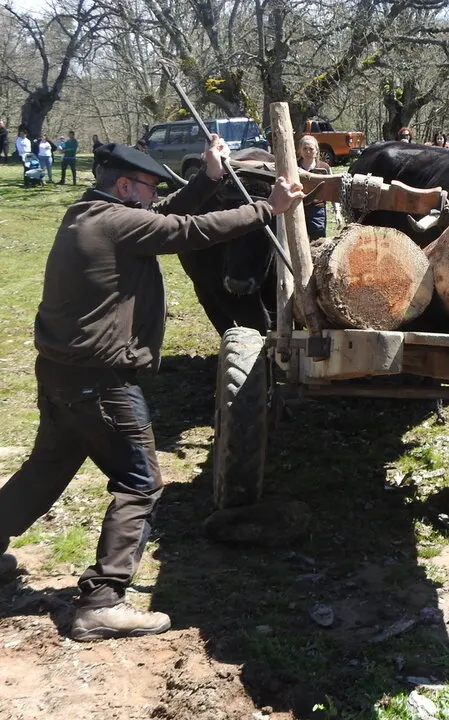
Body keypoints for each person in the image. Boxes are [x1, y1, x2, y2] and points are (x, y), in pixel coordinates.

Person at [0, 137, 303, 641]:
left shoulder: (88, 214)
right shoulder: (118, 224)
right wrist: (267, 209)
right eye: (148, 186)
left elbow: (163, 216)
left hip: (61, 373)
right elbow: (188, 229)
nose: (154, 195)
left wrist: (209, 177)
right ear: (125, 186)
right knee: (140, 483)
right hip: (101, 381)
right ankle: (102, 602)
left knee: (46, 467)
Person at [298, 134, 332, 239]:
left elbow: (333, 188)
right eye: (305, 148)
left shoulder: (324, 168)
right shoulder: (294, 166)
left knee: (318, 239)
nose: (308, 152)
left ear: (316, 151)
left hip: (317, 209)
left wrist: (337, 211)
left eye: (311, 149)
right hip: (297, 207)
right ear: (300, 150)